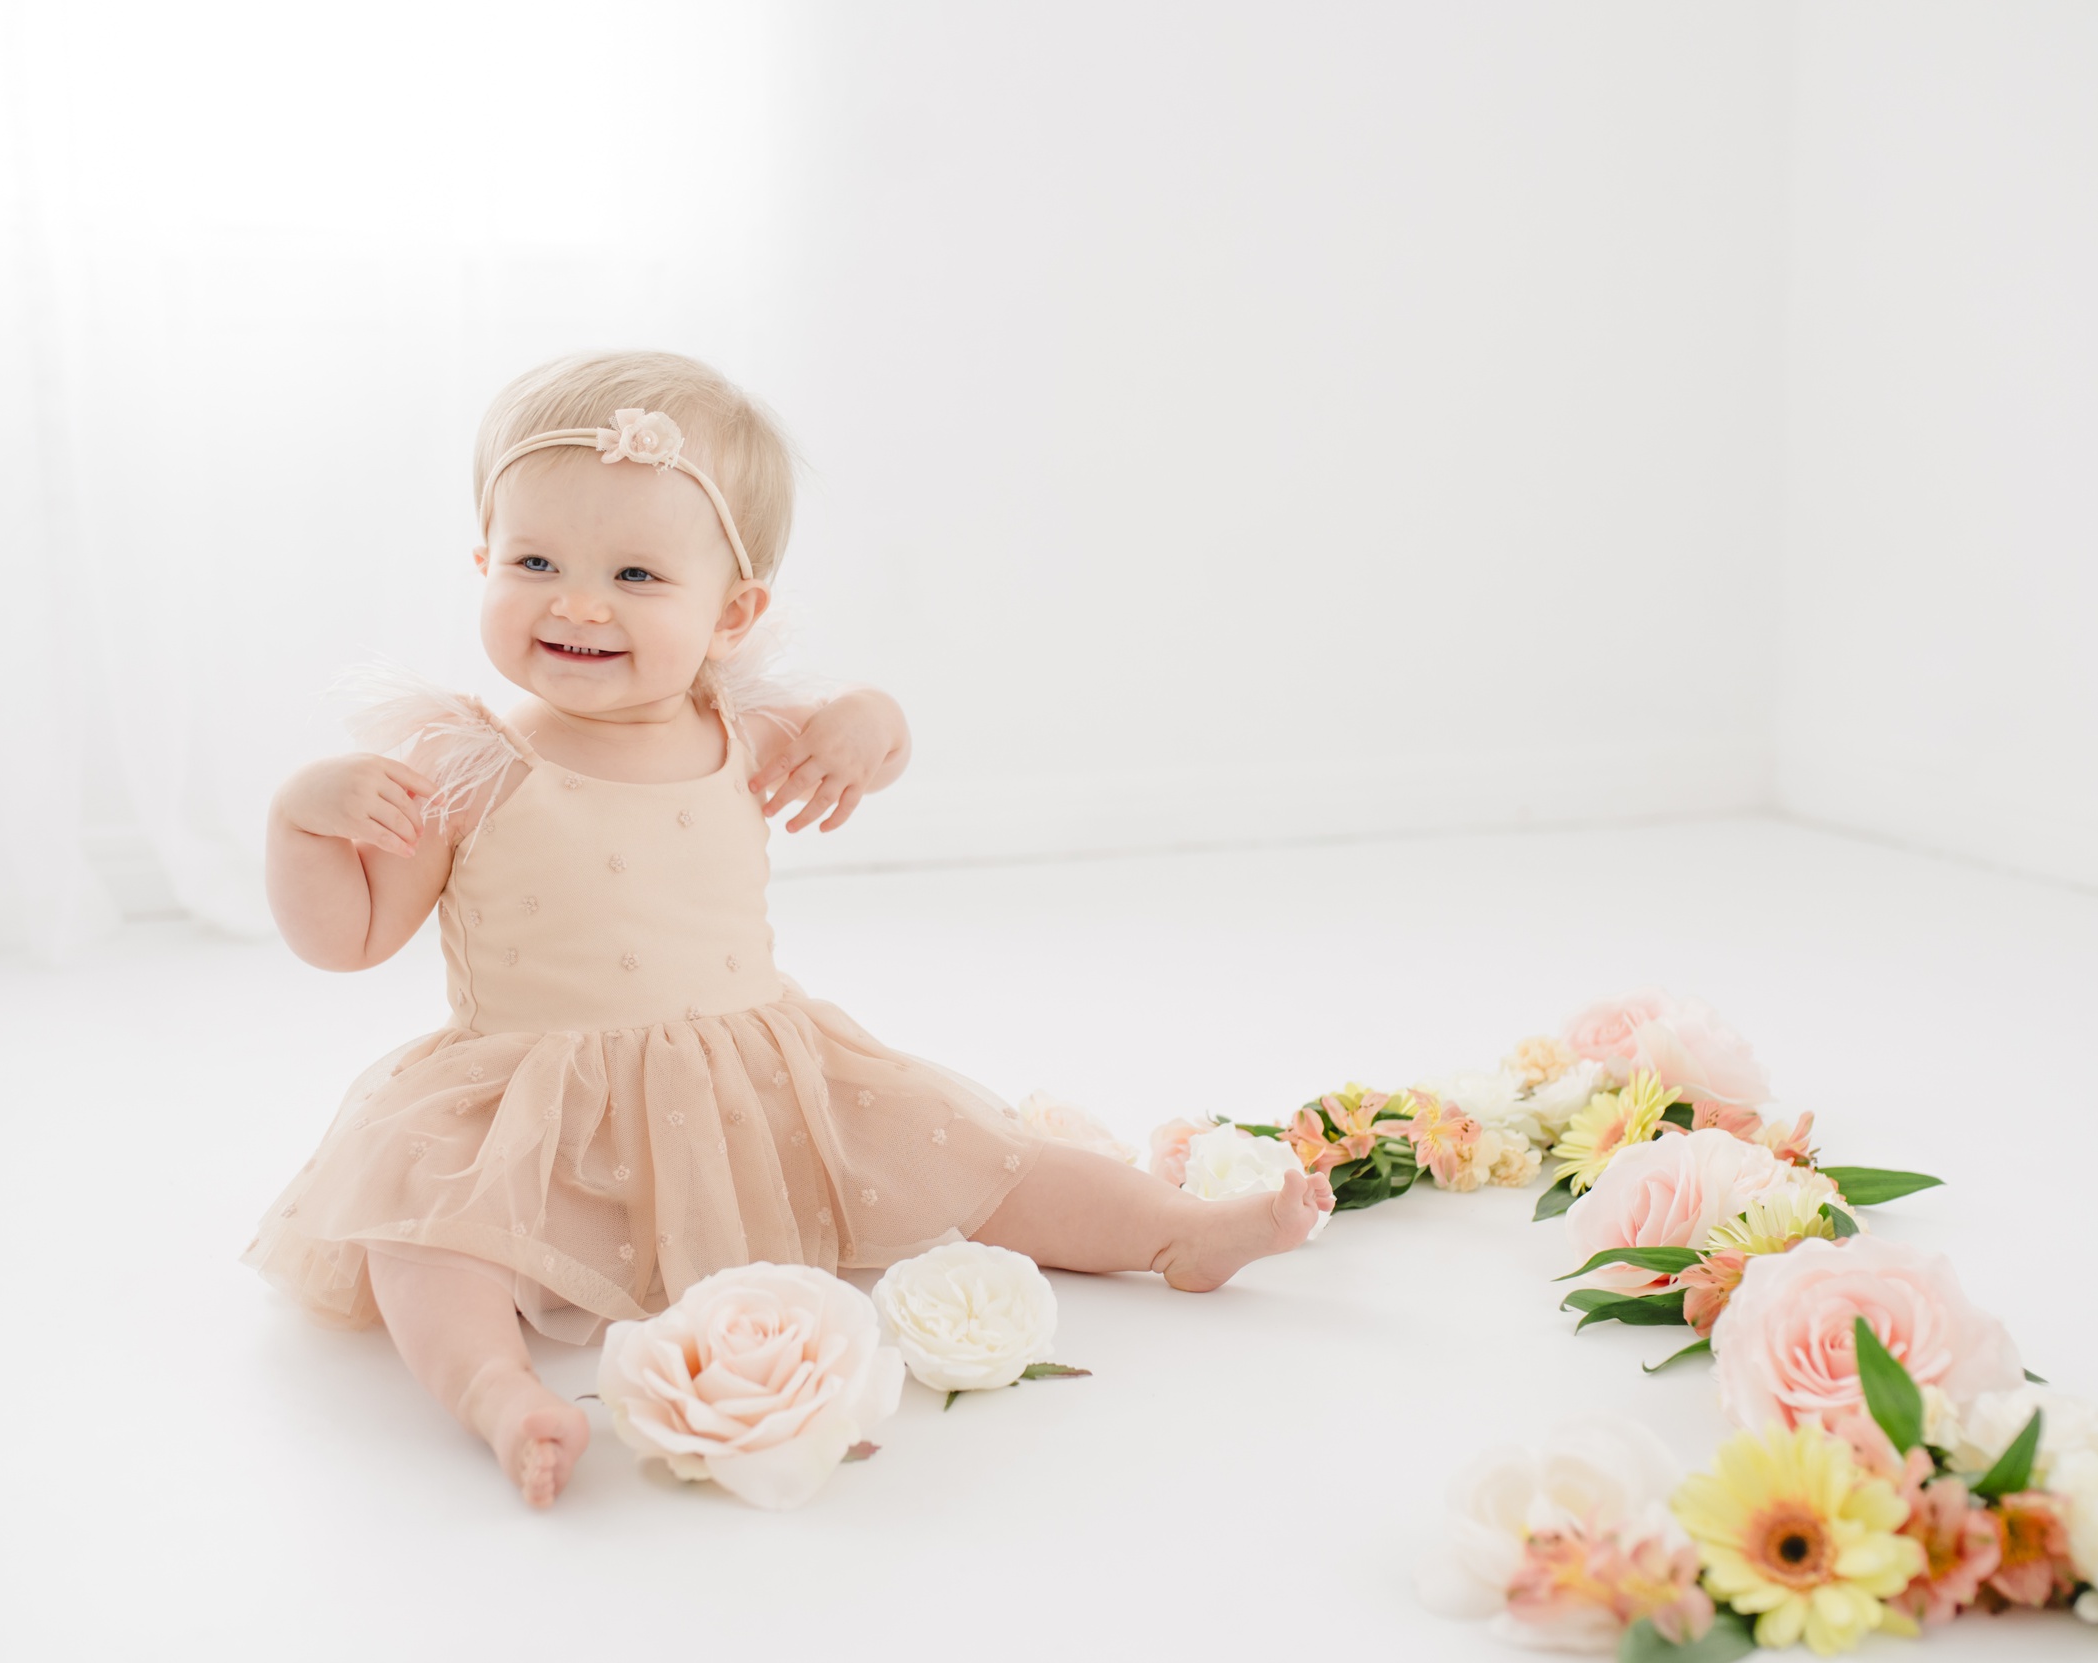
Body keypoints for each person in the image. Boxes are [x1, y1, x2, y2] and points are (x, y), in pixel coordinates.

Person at [245, 351, 1331, 1507]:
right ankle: (498, 1393)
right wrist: (301, 827)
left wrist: (873, 722)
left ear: (733, 614)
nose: (576, 600)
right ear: (482, 561)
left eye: (635, 573)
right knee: (426, 1231)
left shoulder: (742, 728)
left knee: (978, 1159)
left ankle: (1175, 1231)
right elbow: (349, 940)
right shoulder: (464, 763)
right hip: (534, 1107)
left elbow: (872, 739)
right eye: (534, 561)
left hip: (757, 1078)